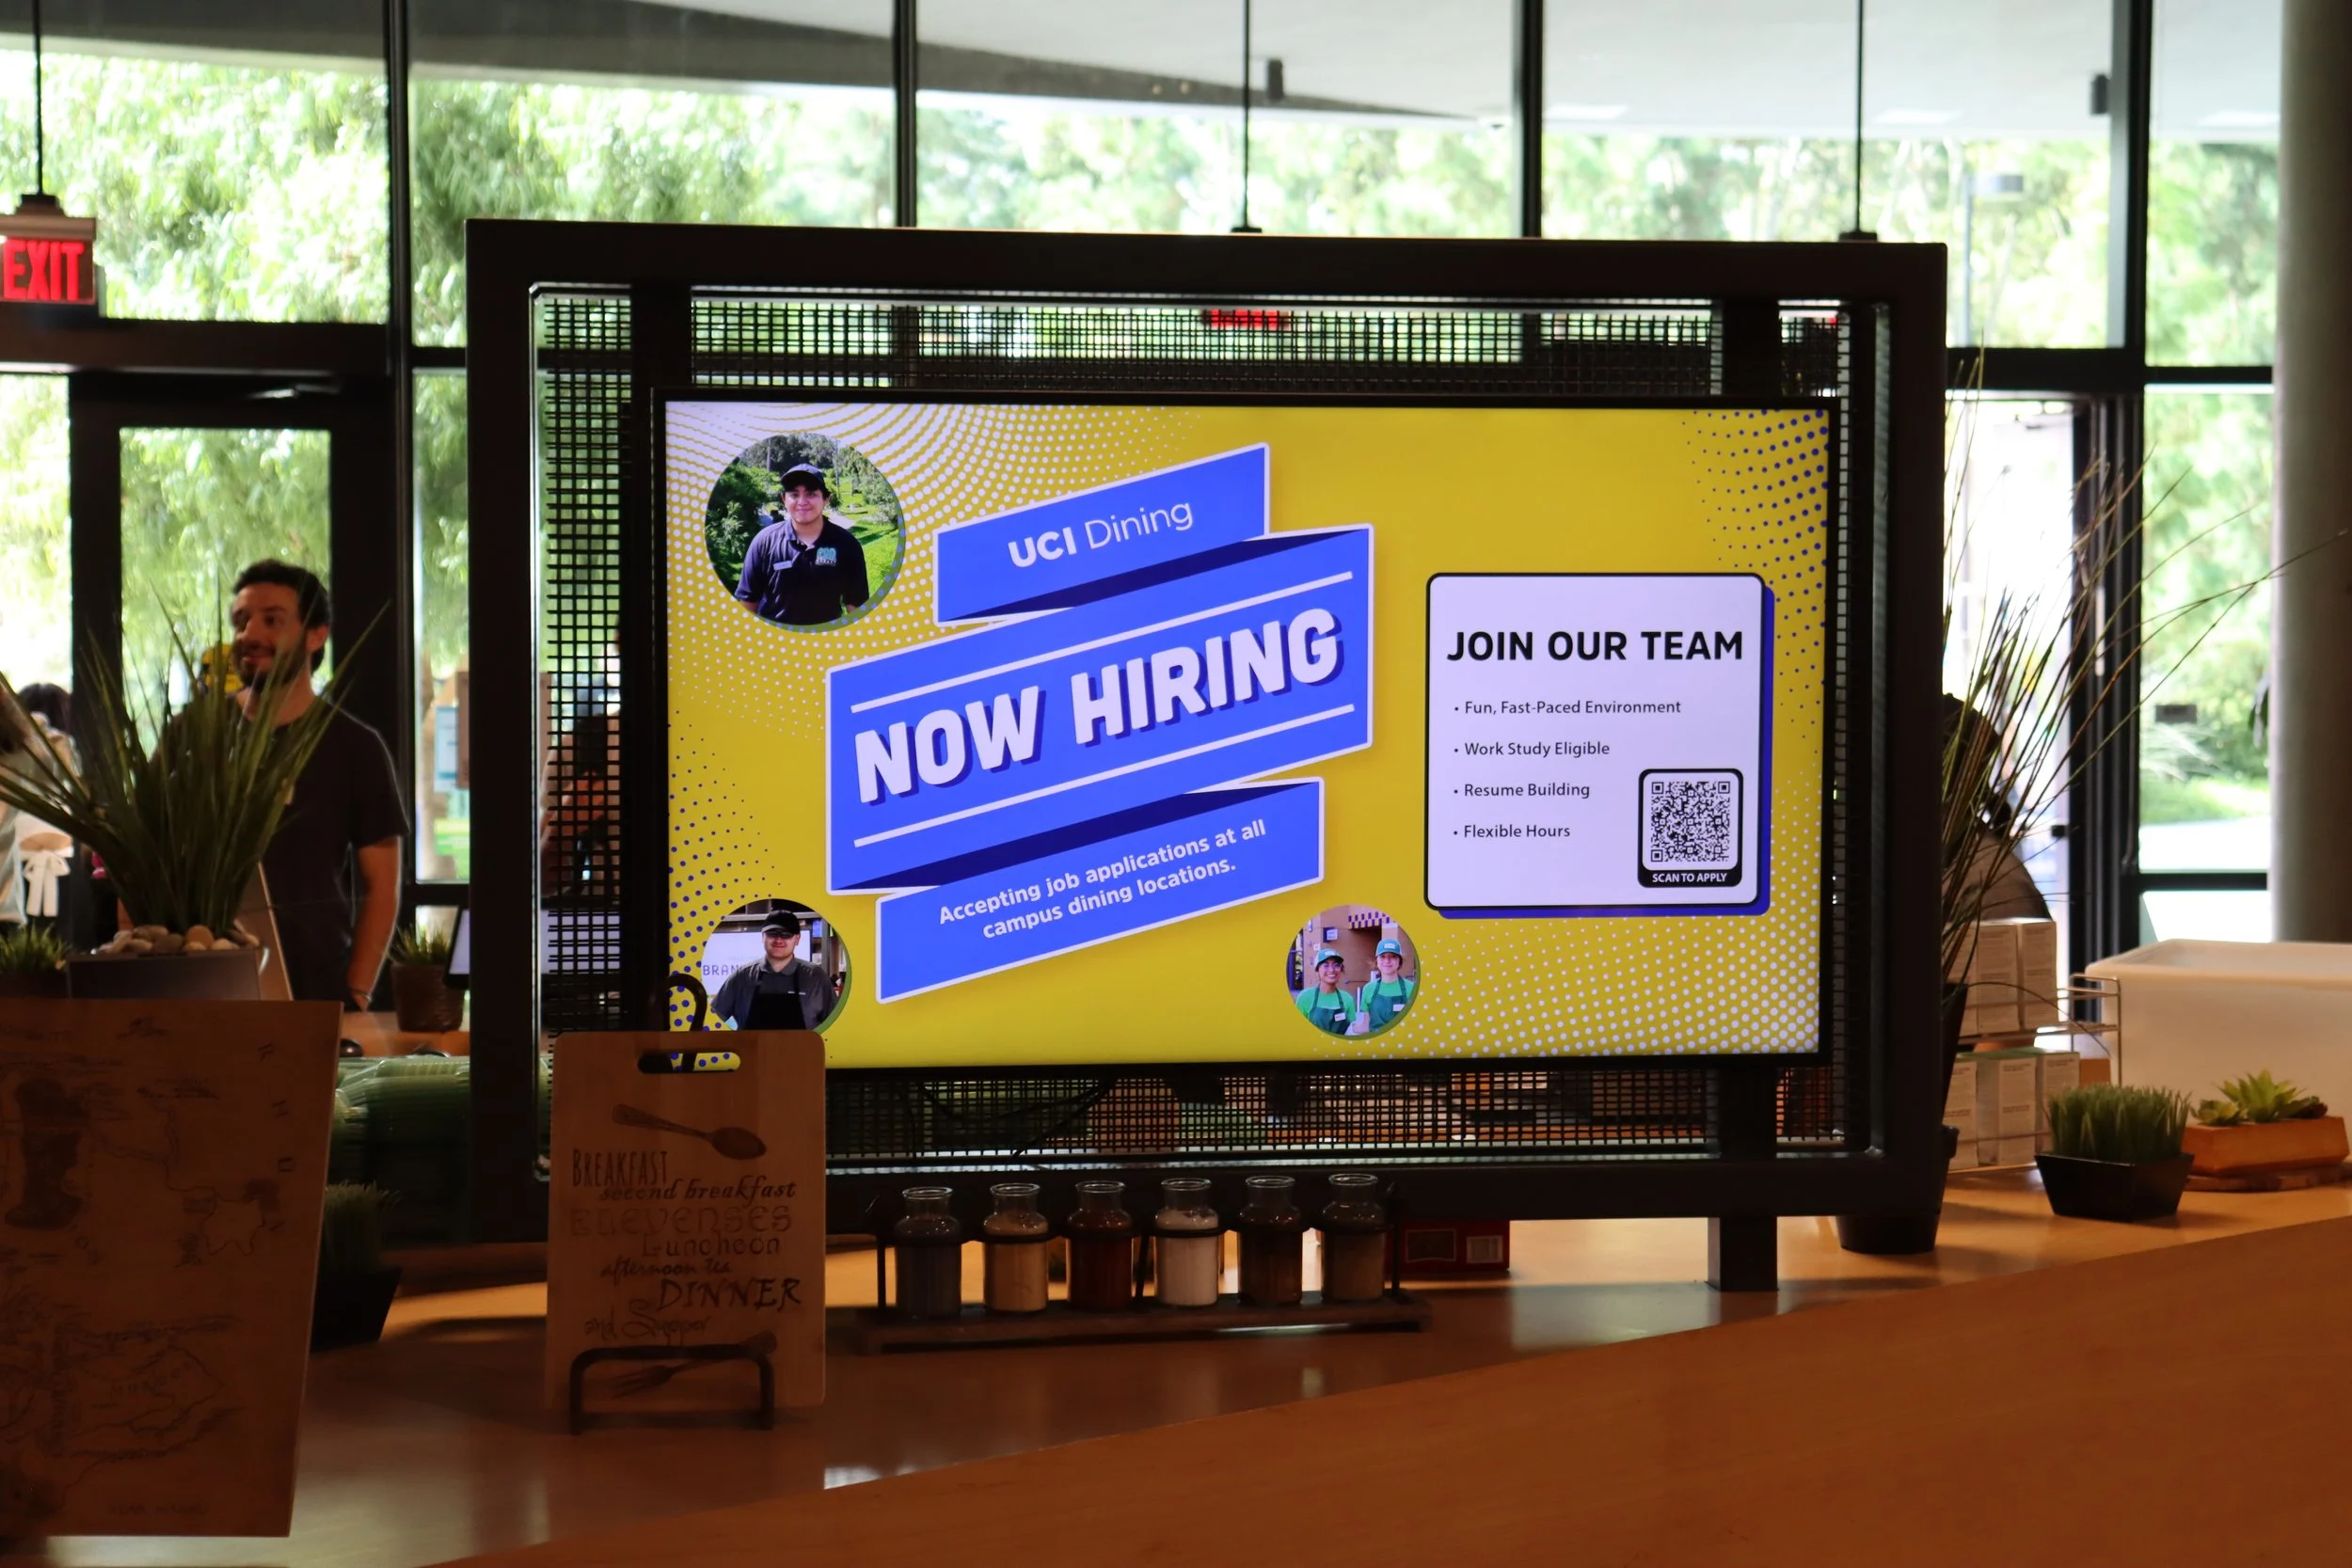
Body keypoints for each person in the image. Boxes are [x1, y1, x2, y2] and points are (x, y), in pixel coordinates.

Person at [230, 561, 406, 1009]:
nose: (249, 634)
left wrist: (357, 993)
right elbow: (143, 863)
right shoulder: (190, 735)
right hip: (206, 999)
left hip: (319, 1002)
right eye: (241, 620)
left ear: (316, 635)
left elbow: (382, 884)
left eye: (272, 620)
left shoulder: (356, 748)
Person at [734, 462, 870, 626]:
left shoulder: (847, 545)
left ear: (826, 499)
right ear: (784, 499)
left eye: (811, 493)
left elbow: (856, 607)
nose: (802, 501)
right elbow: (748, 603)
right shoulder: (764, 541)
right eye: (794, 494)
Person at [710, 911, 833, 1031]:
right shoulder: (742, 976)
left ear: (797, 939)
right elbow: (713, 1017)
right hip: (750, 1051)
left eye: (786, 934)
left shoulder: (815, 977)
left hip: (802, 1051)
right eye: (772, 934)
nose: (778, 940)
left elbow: (834, 1024)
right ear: (762, 937)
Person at [1356, 938, 1418, 1032]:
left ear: (1399, 961)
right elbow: (1366, 1025)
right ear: (1377, 960)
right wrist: (1352, 1029)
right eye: (1383, 956)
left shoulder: (1412, 988)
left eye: (1393, 956)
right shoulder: (1368, 989)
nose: (1387, 961)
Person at [1294, 946, 1357, 1036]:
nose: (1331, 970)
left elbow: (1351, 1032)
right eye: (1325, 965)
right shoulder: (1305, 997)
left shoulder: (1347, 999)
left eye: (1336, 965)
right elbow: (1297, 1031)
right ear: (1317, 971)